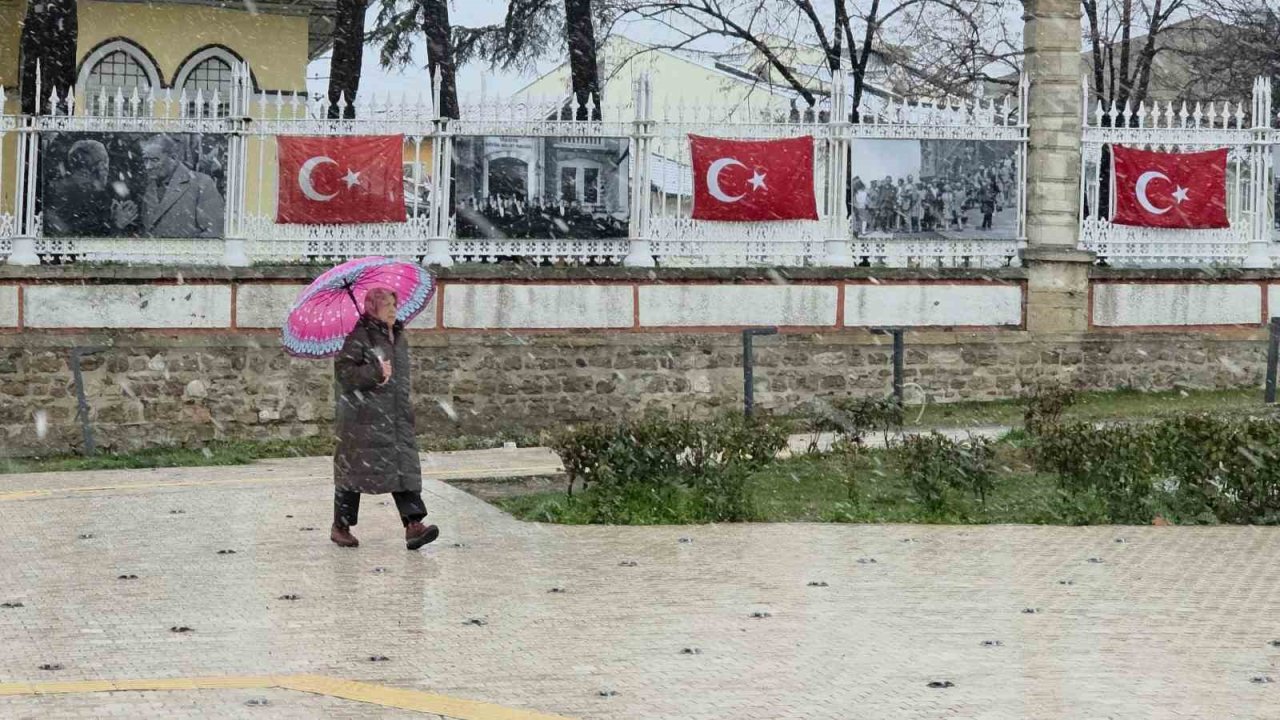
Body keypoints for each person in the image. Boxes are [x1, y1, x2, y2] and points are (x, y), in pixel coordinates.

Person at [330, 287, 439, 551]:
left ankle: (414, 525)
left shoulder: (398, 335)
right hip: (362, 419)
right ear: (372, 308)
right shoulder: (357, 335)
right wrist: (375, 371)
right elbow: (345, 374)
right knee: (354, 472)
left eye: (394, 304)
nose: (393, 310)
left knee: (402, 467)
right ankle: (340, 527)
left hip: (395, 416)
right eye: (387, 305)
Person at [44, 139, 138, 237]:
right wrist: (117, 224)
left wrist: (114, 215)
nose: (106, 171)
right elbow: (80, 239)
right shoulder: (72, 198)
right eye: (103, 165)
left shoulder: (65, 191)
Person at [140, 134, 224, 238]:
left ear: (173, 158)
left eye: (154, 160)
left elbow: (214, 234)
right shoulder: (149, 187)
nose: (148, 166)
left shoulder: (202, 183)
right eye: (145, 160)